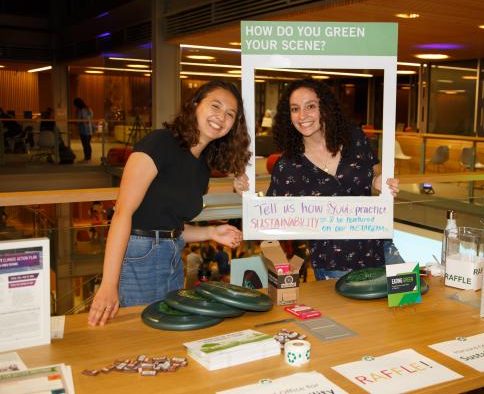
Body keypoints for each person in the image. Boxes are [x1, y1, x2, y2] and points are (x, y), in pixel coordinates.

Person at [88, 80, 251, 326]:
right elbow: (123, 213)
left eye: (230, 114)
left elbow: (169, 224)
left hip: (173, 256)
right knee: (136, 336)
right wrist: (108, 286)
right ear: (195, 105)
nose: (222, 117)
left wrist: (211, 231)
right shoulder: (160, 143)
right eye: (215, 106)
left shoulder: (201, 165)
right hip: (137, 256)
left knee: (164, 336)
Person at [263, 79, 399, 280]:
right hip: (335, 264)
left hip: (382, 248)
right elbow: (267, 218)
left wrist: (380, 182)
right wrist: (243, 189)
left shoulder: (354, 138)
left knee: (409, 302)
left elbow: (374, 172)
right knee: (353, 313)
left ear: (325, 108)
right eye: (295, 109)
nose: (302, 116)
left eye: (310, 106)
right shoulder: (287, 166)